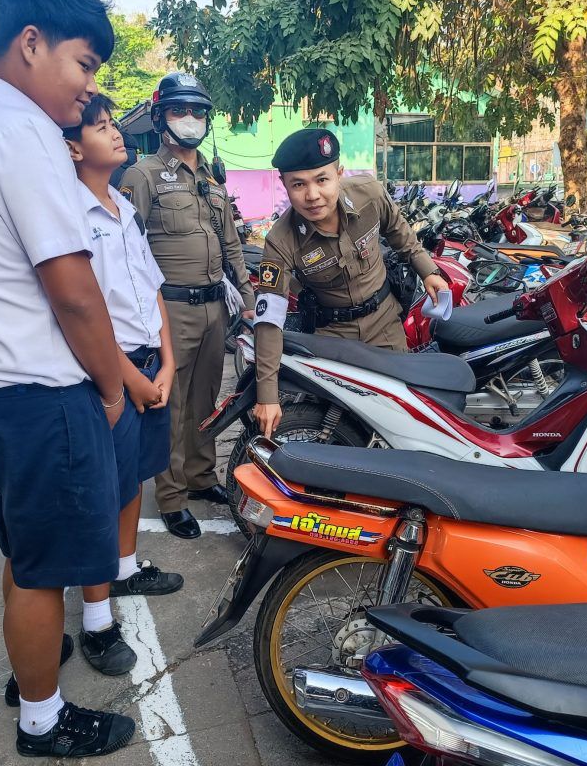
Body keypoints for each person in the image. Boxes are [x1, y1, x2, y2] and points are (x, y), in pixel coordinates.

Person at [0, 0, 136, 758]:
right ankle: (43, 719)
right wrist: (112, 388)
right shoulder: (22, 131)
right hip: (38, 394)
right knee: (43, 574)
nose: (88, 88)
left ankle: (31, 664)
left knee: (24, 551)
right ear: (31, 42)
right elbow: (73, 291)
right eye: (85, 65)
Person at [62, 93, 184, 677]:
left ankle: (126, 567)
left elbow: (152, 290)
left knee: (132, 475)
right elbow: (81, 313)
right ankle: (96, 620)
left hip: (148, 362)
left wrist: (168, 362)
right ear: (72, 148)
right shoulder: (69, 213)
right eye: (102, 127)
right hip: (109, 370)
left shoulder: (124, 208)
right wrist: (130, 378)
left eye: (114, 125)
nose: (116, 134)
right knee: (101, 491)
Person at [120, 72, 255, 540]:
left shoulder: (211, 179)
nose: (190, 119)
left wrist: (248, 298)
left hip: (215, 308)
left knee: (205, 399)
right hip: (170, 310)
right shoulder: (141, 176)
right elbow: (127, 250)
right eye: (180, 110)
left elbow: (232, 244)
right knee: (171, 405)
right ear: (161, 118)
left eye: (198, 111)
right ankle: (172, 496)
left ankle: (200, 476)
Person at [252, 129, 449, 438]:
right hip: (333, 339)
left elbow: (399, 232)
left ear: (339, 174)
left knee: (400, 421)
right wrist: (267, 395)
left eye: (322, 179)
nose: (312, 195)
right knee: (339, 427)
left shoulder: (369, 194)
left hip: (385, 325)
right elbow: (269, 319)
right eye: (298, 184)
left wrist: (429, 271)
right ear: (285, 185)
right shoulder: (281, 240)